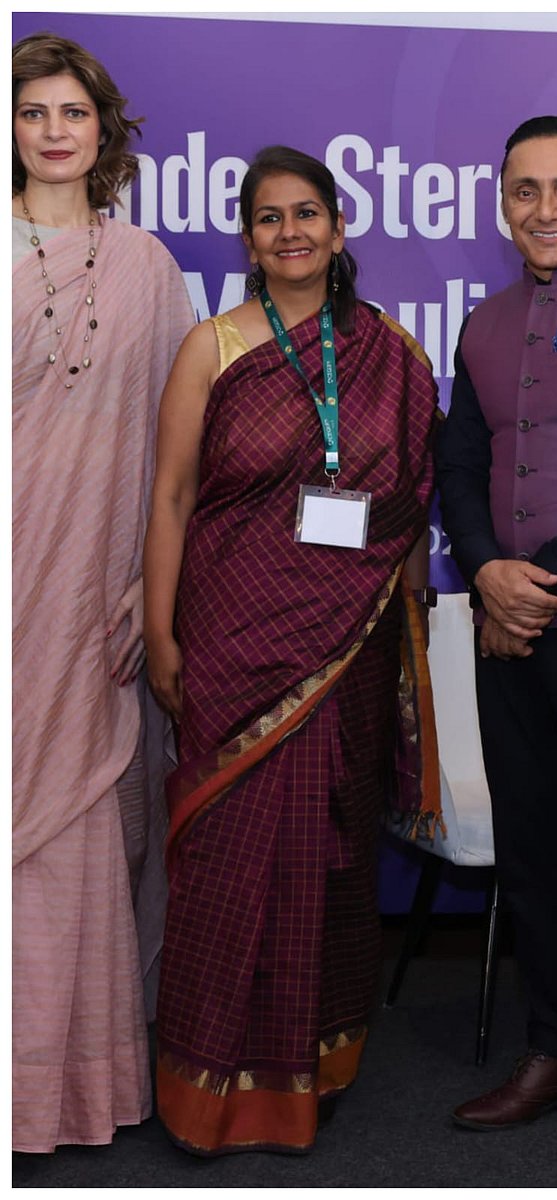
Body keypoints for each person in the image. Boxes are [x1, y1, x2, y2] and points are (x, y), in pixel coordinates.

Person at [143, 145, 439, 1155]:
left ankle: (310, 1070)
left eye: (306, 213)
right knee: (226, 856)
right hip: (230, 636)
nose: (290, 233)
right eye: (269, 219)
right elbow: (174, 498)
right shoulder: (214, 348)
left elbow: (409, 504)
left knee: (329, 852)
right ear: (250, 240)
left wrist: (406, 643)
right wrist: (158, 626)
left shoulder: (391, 354)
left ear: (340, 227)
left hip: (347, 648)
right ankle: (203, 1086)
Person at [12, 33, 193, 1154]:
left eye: (73, 111)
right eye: (33, 112)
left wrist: (146, 582)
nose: (54, 130)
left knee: (81, 824)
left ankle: (68, 1083)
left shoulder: (147, 265)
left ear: (105, 128)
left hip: (97, 594)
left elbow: (183, 452)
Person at [435, 115, 557, 1129]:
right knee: (532, 852)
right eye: (526, 190)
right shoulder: (481, 324)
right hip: (506, 628)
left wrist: (532, 586)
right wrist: (487, 570)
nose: (546, 209)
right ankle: (556, 1049)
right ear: (503, 204)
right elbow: (458, 461)